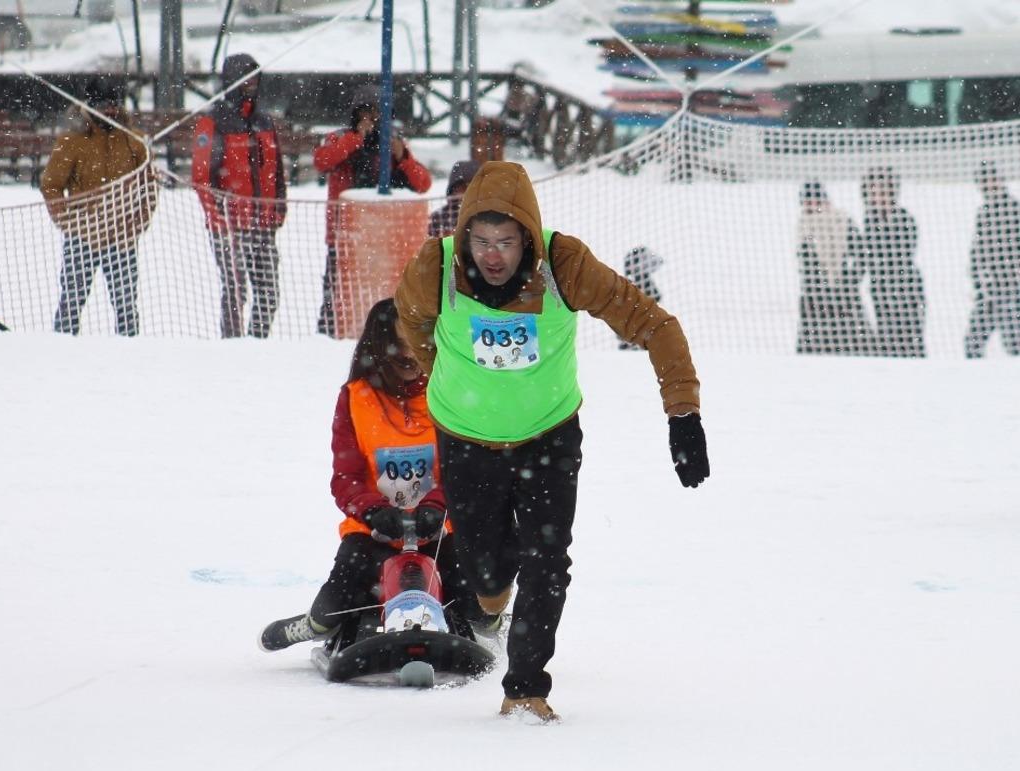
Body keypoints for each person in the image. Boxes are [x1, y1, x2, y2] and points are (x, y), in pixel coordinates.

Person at [393, 160, 709, 721]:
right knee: (484, 575)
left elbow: (655, 325)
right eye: (482, 241)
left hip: (548, 435)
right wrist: (445, 369)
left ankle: (525, 686)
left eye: (507, 242)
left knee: (547, 559)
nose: (493, 255)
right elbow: (411, 320)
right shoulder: (434, 267)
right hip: (464, 436)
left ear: (529, 239)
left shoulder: (566, 264)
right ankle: (494, 597)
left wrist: (682, 414)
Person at [259, 299, 492, 653]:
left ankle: (497, 626)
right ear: (379, 348)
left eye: (417, 346)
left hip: (442, 528)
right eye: (400, 350)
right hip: (373, 531)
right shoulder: (355, 399)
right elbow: (346, 476)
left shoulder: (447, 394)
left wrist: (437, 504)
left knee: (480, 602)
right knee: (333, 606)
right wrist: (372, 511)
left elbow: (462, 466)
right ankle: (313, 624)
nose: (411, 359)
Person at [312, 85, 432, 336]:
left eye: (375, 113)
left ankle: (384, 335)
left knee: (386, 293)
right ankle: (327, 336)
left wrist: (404, 159)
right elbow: (323, 160)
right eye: (363, 113)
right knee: (335, 293)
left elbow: (423, 183)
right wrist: (356, 139)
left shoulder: (393, 143)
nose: (369, 119)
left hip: (386, 238)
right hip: (345, 235)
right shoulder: (341, 138)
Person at [41, 77, 157, 336]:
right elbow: (51, 184)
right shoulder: (72, 140)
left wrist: (138, 221)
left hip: (122, 238)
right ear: (90, 106)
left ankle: (129, 347)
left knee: (126, 303)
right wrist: (67, 220)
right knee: (72, 299)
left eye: (114, 105)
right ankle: (63, 345)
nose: (110, 111)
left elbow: (149, 184)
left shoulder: (134, 141)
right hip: (82, 235)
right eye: (104, 105)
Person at [192, 53, 286, 339]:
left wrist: (279, 208)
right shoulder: (213, 123)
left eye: (255, 79)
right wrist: (216, 216)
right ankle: (232, 343)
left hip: (264, 224)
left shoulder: (264, 123)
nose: (251, 85)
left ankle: (257, 341)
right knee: (235, 292)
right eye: (246, 79)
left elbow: (278, 171)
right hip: (230, 226)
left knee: (268, 293)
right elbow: (201, 177)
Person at [795, 180, 874, 355]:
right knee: (814, 350)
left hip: (844, 296)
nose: (812, 205)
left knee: (855, 346)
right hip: (815, 298)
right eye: (807, 201)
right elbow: (806, 263)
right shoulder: (803, 226)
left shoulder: (842, 221)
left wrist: (849, 282)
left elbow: (861, 254)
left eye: (816, 200)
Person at [860, 167, 925, 357]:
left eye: (882, 191)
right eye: (873, 192)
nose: (878, 197)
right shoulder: (869, 220)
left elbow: (903, 255)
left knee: (910, 341)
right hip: (881, 291)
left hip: (906, 290)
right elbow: (867, 255)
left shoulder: (904, 219)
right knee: (887, 343)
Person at [965, 161, 1020, 357]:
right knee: (973, 343)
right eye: (984, 182)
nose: (989, 185)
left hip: (1011, 286)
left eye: (992, 180)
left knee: (1014, 341)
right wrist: (978, 279)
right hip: (990, 288)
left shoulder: (1013, 209)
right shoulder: (984, 212)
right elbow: (979, 249)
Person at [618, 245, 663, 350]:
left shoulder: (641, 281)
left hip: (641, 330)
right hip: (633, 332)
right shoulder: (631, 283)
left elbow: (656, 297)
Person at [428, 159, 481, 238]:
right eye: (462, 187)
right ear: (453, 189)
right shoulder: (439, 217)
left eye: (472, 187)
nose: (466, 193)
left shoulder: (490, 213)